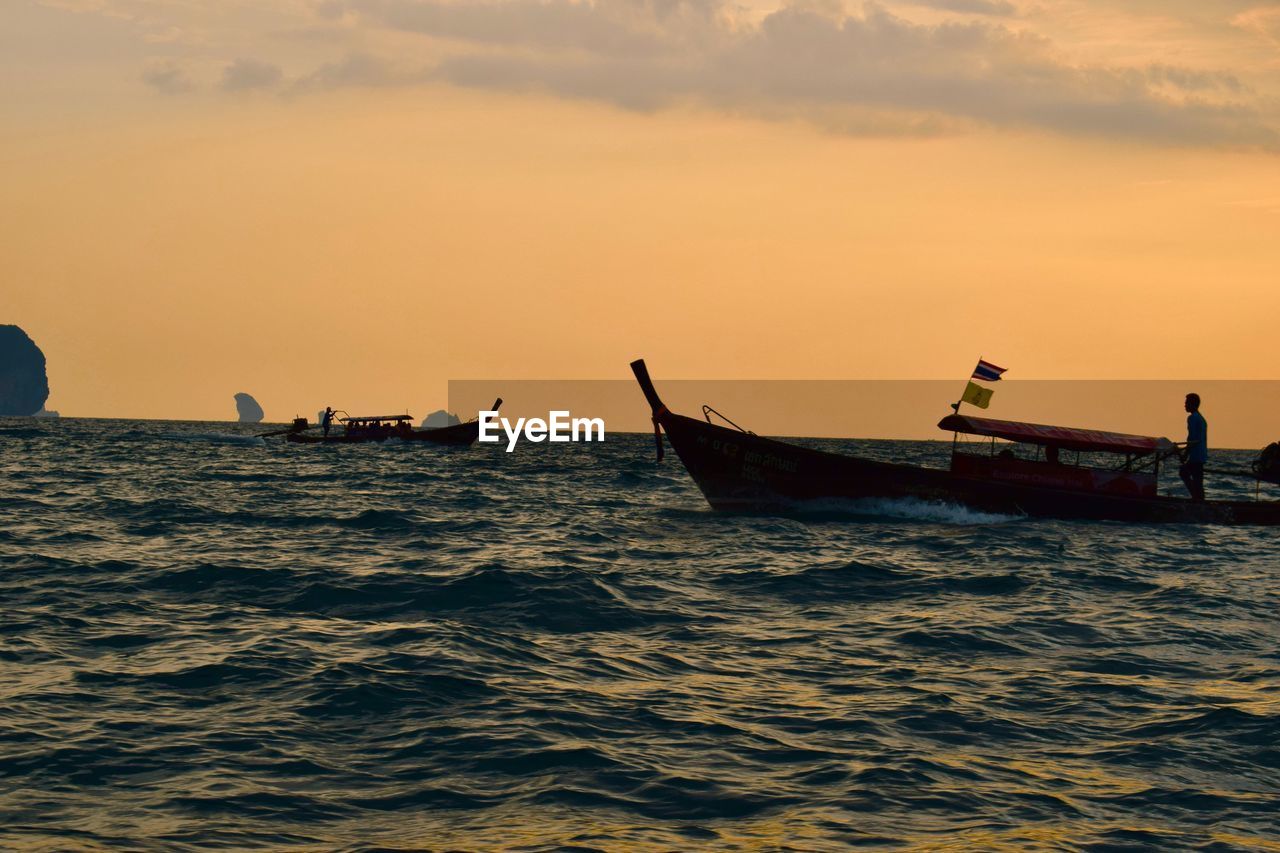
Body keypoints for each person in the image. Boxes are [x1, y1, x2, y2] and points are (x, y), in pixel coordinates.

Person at [1180, 393, 1208, 501]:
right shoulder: (1201, 419)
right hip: (1201, 455)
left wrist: (1185, 455)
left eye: (1187, 403)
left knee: (1183, 472)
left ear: (1193, 404)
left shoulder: (1192, 418)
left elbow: (1191, 439)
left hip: (1196, 455)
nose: (1185, 405)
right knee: (1197, 480)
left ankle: (1196, 498)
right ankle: (1199, 498)